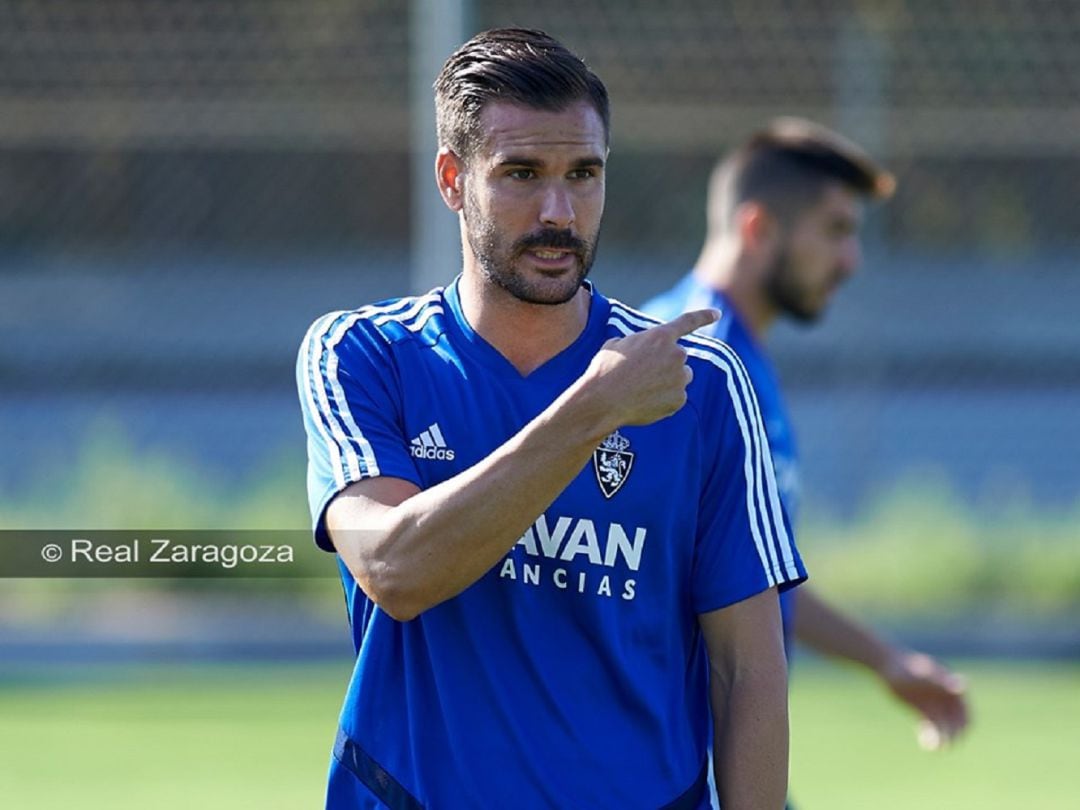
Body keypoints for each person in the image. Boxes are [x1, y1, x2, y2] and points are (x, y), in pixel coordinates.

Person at [298, 28, 805, 810]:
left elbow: (748, 673)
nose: (559, 211)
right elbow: (397, 570)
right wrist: (595, 409)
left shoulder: (700, 385)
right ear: (452, 180)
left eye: (584, 173)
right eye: (521, 174)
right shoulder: (363, 356)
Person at [641, 119, 970, 768]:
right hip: (675, 761)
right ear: (758, 228)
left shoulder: (740, 359)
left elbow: (751, 574)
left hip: (721, 751)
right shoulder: (679, 363)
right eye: (836, 230)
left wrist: (886, 660)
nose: (851, 261)